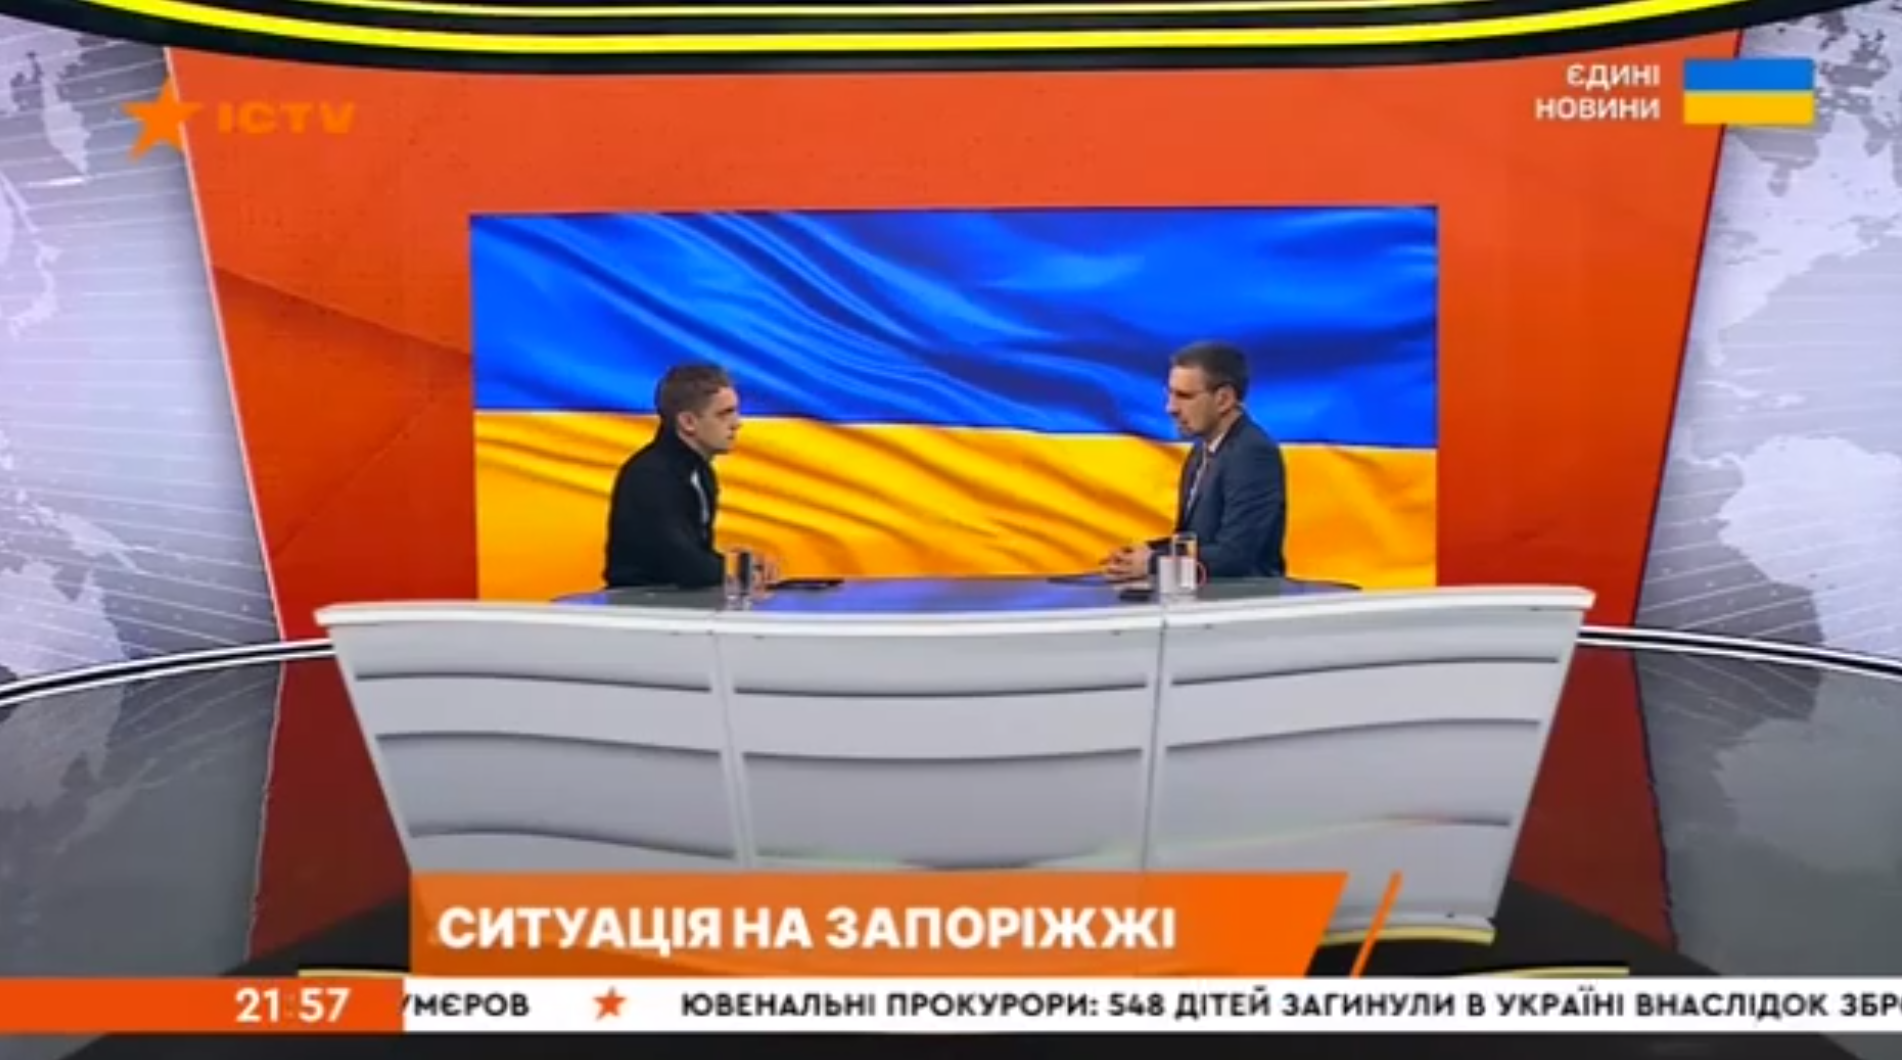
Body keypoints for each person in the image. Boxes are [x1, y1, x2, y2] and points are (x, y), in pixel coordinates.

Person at [1103, 341, 1288, 583]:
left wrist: (1152, 563)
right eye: (1170, 394)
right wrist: (1146, 552)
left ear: (1223, 399)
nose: (1170, 408)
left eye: (1184, 396)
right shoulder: (1200, 451)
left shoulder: (1252, 453)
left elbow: (1235, 555)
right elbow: (1195, 542)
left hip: (1243, 600)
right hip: (1202, 597)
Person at [604, 363, 775, 590]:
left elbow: (693, 556)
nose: (737, 423)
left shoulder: (701, 473)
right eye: (724, 414)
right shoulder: (651, 476)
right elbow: (681, 562)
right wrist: (738, 570)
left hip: (679, 601)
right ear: (688, 422)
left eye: (735, 412)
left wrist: (744, 565)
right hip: (640, 605)